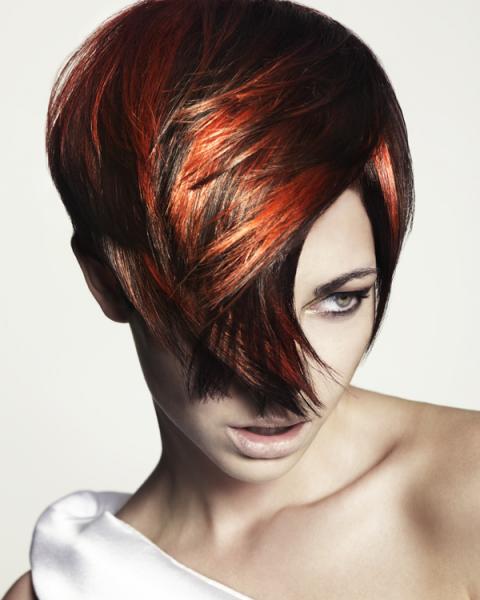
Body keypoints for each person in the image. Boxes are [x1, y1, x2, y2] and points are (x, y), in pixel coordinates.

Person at [4, 0, 480, 598]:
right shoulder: (67, 587)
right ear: (107, 282)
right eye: (226, 309)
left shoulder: (465, 494)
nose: (286, 386)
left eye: (339, 299)